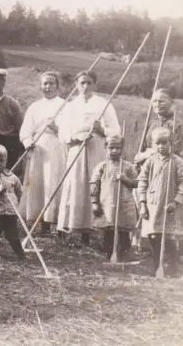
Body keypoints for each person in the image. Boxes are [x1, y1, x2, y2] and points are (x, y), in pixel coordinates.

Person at [56, 70, 121, 246]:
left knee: (94, 185)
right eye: (82, 83)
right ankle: (67, 227)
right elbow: (63, 132)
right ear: (76, 84)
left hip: (97, 149)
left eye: (89, 83)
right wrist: (76, 138)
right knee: (74, 185)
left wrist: (103, 131)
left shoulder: (103, 104)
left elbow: (116, 131)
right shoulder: (70, 106)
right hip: (77, 149)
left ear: (94, 84)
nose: (85, 86)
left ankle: (91, 230)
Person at [18, 71, 68, 236]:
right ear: (41, 86)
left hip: (56, 147)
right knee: (39, 184)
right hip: (38, 148)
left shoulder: (65, 105)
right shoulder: (35, 107)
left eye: (51, 83)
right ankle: (42, 225)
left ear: (57, 86)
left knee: (54, 183)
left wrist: (55, 127)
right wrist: (27, 141)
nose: (48, 87)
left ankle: (59, 225)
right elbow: (25, 130)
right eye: (45, 83)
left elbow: (69, 131)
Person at [136, 127, 183, 276]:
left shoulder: (177, 162)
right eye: (157, 143)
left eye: (164, 143)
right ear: (153, 144)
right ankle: (156, 267)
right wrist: (142, 203)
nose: (161, 147)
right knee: (154, 236)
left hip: (171, 206)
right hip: (153, 205)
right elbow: (142, 182)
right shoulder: (150, 162)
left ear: (171, 143)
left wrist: (176, 201)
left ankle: (173, 267)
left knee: (170, 237)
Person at [90, 134, 139, 261]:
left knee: (123, 230)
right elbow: (94, 184)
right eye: (111, 147)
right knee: (109, 229)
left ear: (122, 149)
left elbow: (137, 182)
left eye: (118, 148)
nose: (115, 151)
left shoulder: (128, 166)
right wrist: (94, 202)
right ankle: (109, 253)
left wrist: (125, 179)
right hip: (107, 203)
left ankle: (124, 253)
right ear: (105, 147)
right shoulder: (102, 166)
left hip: (124, 203)